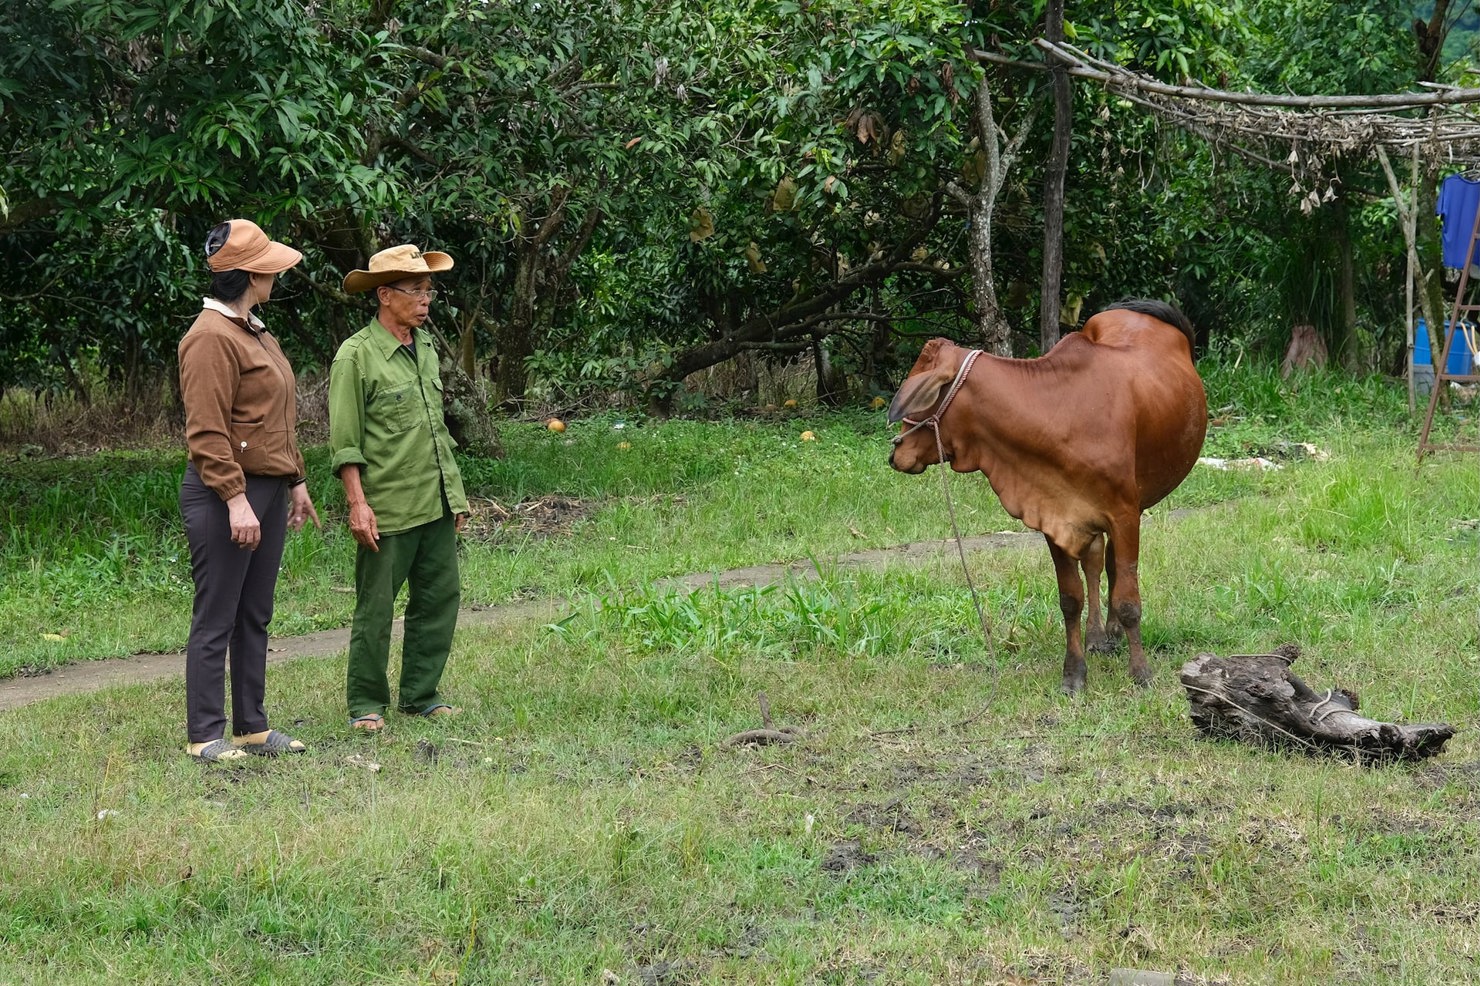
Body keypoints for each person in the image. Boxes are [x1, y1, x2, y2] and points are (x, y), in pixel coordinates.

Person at [178, 219, 320, 763]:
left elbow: (273, 419)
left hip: (266, 488)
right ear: (252, 274)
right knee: (218, 613)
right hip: (223, 495)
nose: (278, 272)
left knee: (254, 611)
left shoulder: (254, 330)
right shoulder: (209, 338)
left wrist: (297, 480)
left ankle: (251, 727)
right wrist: (235, 498)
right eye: (269, 265)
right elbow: (207, 432)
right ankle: (205, 735)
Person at [328, 244, 469, 732]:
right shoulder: (355, 357)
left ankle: (420, 693)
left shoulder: (425, 348)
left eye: (429, 289)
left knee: (439, 598)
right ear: (385, 295)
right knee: (377, 607)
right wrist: (357, 505)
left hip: (435, 501)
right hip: (387, 507)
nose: (426, 299)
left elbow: (436, 430)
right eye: (415, 290)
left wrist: (456, 495)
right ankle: (366, 702)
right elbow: (346, 444)